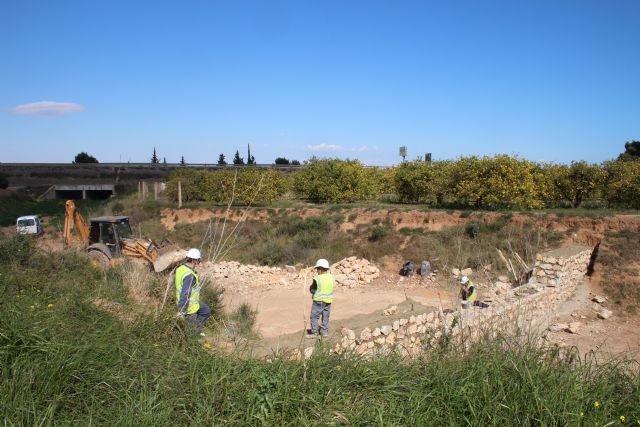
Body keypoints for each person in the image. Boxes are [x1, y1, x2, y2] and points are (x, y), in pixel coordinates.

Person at [175, 248, 211, 336]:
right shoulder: (190, 276)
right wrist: (182, 311)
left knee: (206, 311)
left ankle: (197, 329)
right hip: (189, 307)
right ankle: (192, 338)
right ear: (194, 261)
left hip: (193, 302)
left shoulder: (181, 268)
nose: (199, 263)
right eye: (199, 260)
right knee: (190, 333)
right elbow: (185, 294)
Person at [306, 258, 335, 338]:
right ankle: (324, 332)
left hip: (318, 301)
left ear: (321, 268)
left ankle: (314, 332)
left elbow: (312, 290)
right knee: (325, 316)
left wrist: (313, 291)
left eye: (318, 268)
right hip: (328, 301)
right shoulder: (332, 277)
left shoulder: (318, 279)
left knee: (314, 316)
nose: (317, 270)